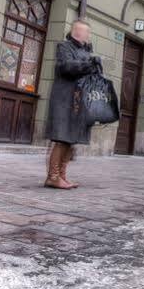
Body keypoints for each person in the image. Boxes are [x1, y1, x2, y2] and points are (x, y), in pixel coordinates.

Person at [44, 19, 101, 190]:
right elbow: (67, 67)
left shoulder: (86, 51)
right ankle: (53, 177)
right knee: (62, 138)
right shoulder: (64, 47)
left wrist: (96, 67)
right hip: (64, 99)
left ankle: (61, 175)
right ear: (77, 32)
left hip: (78, 100)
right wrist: (89, 64)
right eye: (86, 32)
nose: (88, 35)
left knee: (70, 140)